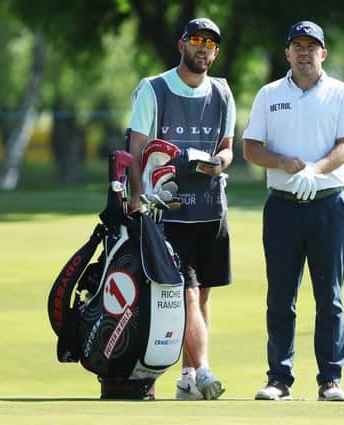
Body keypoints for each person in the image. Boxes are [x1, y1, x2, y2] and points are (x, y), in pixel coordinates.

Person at [242, 20, 344, 402]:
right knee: (280, 297)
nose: (305, 52)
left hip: (328, 205)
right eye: (298, 46)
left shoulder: (342, 94)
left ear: (323, 53)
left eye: (312, 46)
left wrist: (315, 169)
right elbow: (251, 149)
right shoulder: (269, 94)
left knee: (330, 297)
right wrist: (282, 162)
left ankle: (330, 380)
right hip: (282, 208)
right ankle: (279, 379)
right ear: (288, 53)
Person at [126, 17, 235, 401]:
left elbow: (227, 148)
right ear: (181, 45)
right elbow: (135, 150)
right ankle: (204, 370)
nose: (203, 47)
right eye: (196, 40)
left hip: (210, 209)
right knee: (186, 292)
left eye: (210, 43)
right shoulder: (154, 90)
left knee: (202, 294)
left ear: (216, 52)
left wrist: (218, 162)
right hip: (167, 211)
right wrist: (136, 199)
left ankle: (188, 376)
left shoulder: (222, 92)